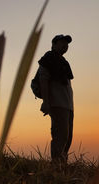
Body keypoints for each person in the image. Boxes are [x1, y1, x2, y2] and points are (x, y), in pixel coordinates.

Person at [38, 34, 74, 164]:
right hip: (58, 104)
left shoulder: (63, 63)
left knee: (67, 137)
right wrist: (46, 102)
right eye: (62, 42)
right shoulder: (48, 59)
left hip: (68, 106)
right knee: (60, 136)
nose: (65, 45)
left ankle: (62, 166)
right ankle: (56, 168)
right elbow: (43, 80)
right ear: (53, 44)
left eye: (67, 43)